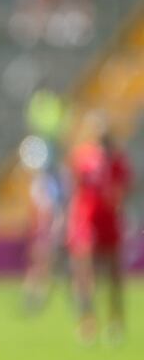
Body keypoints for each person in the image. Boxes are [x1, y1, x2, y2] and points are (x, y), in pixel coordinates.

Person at [66, 130, 133, 343]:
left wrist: (117, 198)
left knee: (113, 276)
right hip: (88, 222)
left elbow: (126, 188)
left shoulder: (117, 162)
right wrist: (72, 220)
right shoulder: (84, 160)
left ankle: (115, 321)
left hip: (110, 222)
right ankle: (88, 322)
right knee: (85, 275)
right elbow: (76, 190)